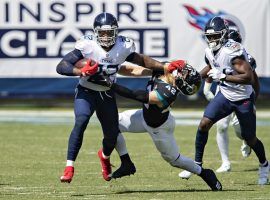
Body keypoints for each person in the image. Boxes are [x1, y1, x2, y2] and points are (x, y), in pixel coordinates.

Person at [56, 12, 180, 183]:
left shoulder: (123, 46)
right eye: (102, 33)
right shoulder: (87, 45)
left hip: (106, 93)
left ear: (116, 32)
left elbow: (142, 61)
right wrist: (80, 71)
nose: (106, 36)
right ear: (96, 32)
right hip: (86, 91)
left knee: (111, 135)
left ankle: (105, 157)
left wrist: (164, 66)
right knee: (81, 120)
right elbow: (61, 66)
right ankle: (69, 167)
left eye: (109, 32)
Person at [94, 62, 223, 191]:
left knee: (174, 160)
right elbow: (136, 69)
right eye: (184, 71)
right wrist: (109, 70)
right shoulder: (164, 70)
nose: (181, 71)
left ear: (181, 82)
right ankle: (126, 162)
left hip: (159, 128)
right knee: (112, 123)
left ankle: (204, 172)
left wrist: (110, 84)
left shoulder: (169, 92)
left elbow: (137, 95)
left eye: (184, 74)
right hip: (144, 117)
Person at [178, 16, 269, 185]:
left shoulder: (232, 51)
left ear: (225, 34)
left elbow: (248, 77)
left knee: (249, 138)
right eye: (209, 37)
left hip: (242, 98)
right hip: (225, 95)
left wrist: (223, 77)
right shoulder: (209, 51)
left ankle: (264, 164)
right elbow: (211, 65)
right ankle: (196, 163)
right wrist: (196, 77)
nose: (212, 40)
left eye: (215, 36)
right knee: (204, 124)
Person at [202, 29, 260, 173]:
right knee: (220, 126)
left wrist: (254, 99)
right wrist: (207, 87)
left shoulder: (242, 57)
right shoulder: (216, 51)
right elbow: (212, 66)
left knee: (241, 132)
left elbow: (253, 79)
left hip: (242, 95)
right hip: (224, 91)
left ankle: (246, 140)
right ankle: (225, 162)